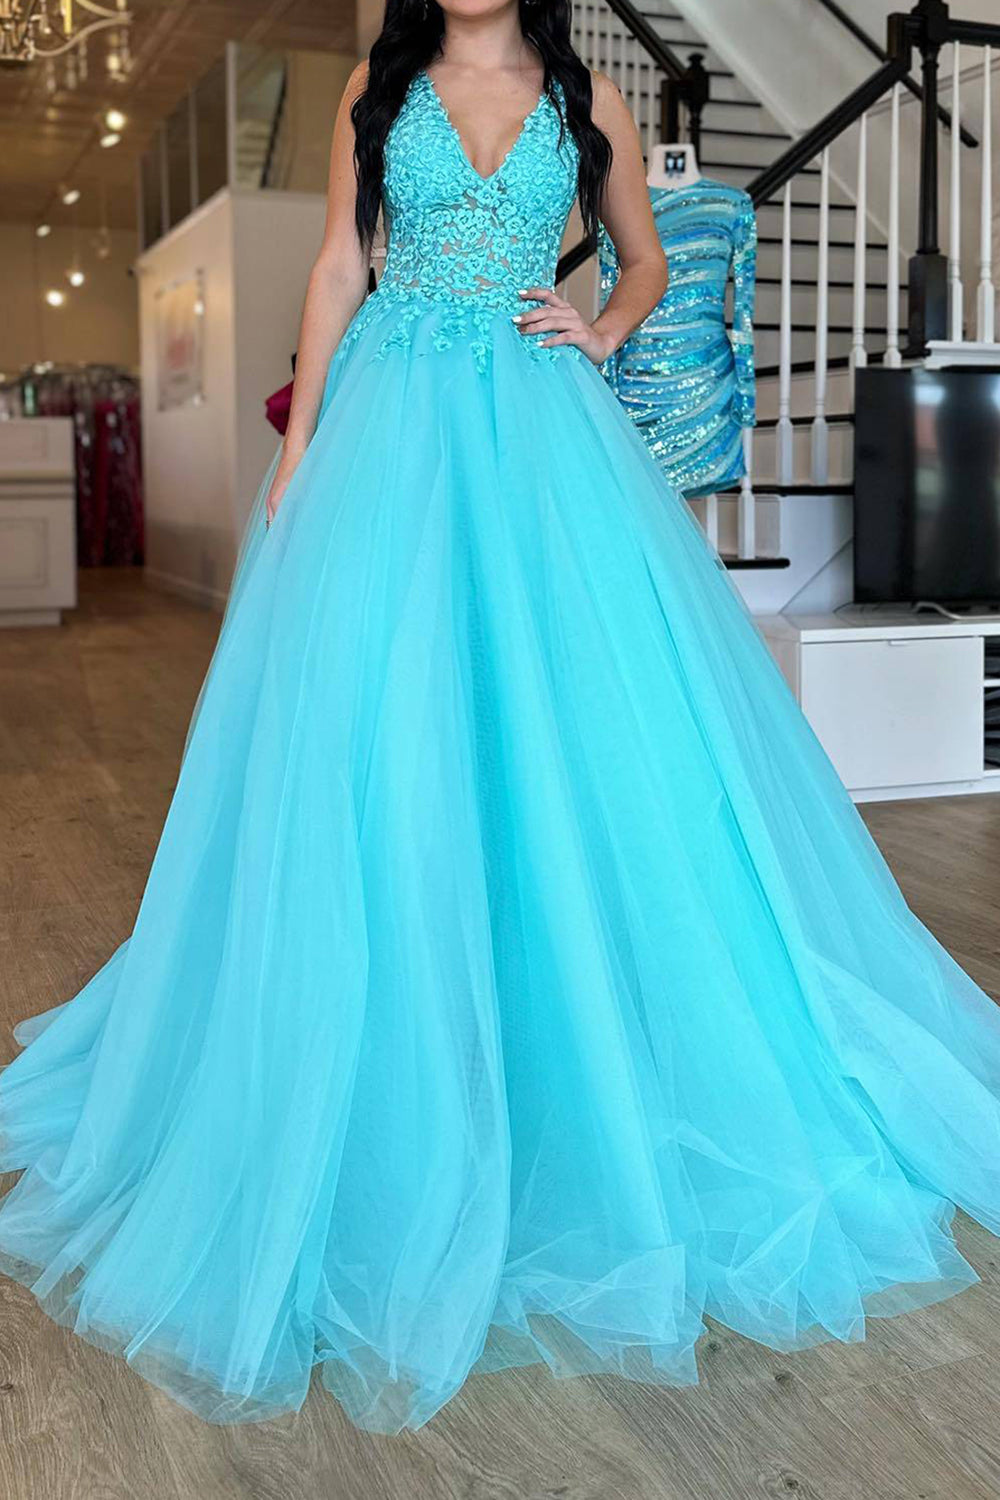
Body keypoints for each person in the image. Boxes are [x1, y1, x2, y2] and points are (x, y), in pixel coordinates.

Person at [2, 0, 1000, 1440]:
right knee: (384, 719)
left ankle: (565, 1011)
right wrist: (301, 443)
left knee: (579, 727)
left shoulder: (590, 95)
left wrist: (601, 325)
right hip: (394, 425)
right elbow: (342, 262)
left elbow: (648, 258)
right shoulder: (380, 79)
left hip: (540, 425)